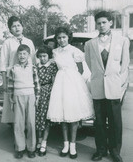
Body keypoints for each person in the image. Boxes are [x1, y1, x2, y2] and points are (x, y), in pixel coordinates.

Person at [84, 11, 130, 162]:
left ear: (110, 22)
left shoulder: (122, 40)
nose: (101, 25)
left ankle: (115, 151)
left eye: (104, 22)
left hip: (114, 88)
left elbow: (124, 66)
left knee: (115, 121)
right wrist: (99, 79)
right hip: (98, 88)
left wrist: (119, 85)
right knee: (99, 122)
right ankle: (100, 150)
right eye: (98, 23)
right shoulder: (89, 44)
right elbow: (91, 65)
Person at [47, 27, 94, 159]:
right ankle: (65, 144)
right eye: (59, 38)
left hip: (72, 83)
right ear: (56, 39)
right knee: (63, 116)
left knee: (73, 117)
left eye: (64, 37)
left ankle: (73, 146)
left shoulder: (75, 51)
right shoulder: (55, 52)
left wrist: (74, 82)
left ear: (68, 37)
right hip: (60, 84)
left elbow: (80, 70)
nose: (61, 40)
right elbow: (53, 67)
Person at [0, 16, 36, 123]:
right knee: (14, 105)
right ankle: (16, 128)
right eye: (13, 26)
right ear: (10, 29)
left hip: (27, 79)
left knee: (28, 106)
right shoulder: (7, 43)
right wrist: (5, 83)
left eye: (18, 25)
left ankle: (27, 127)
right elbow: (3, 64)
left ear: (22, 27)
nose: (17, 28)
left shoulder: (29, 42)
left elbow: (33, 61)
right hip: (13, 78)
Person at [6, 45, 40, 159]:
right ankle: (20, 148)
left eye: (24, 54)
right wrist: (11, 97)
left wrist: (37, 97)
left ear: (28, 55)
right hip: (18, 96)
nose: (22, 56)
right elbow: (10, 84)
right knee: (18, 123)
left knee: (31, 123)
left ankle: (31, 148)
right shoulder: (13, 69)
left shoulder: (33, 68)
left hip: (30, 96)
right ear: (17, 55)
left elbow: (37, 83)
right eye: (20, 54)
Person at [35, 45, 58, 157]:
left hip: (49, 92)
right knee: (38, 117)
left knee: (46, 118)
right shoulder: (36, 66)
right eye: (40, 56)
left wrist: (53, 94)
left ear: (49, 56)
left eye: (44, 56)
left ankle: (44, 141)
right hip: (38, 93)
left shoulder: (52, 66)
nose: (43, 58)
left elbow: (54, 81)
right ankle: (39, 140)